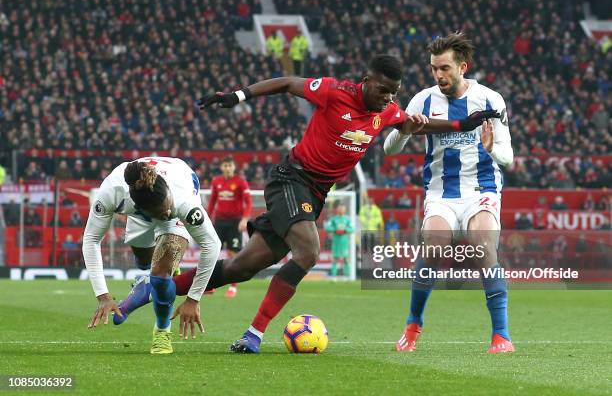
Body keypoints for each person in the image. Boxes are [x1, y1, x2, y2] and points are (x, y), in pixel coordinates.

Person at [116, 54, 498, 353]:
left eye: (393, 93)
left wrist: (461, 126)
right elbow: (286, 83)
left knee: (240, 268)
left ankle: (152, 287)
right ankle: (254, 333)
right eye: (382, 90)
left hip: (315, 195)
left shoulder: (386, 112)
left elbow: (417, 124)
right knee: (309, 251)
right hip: (290, 179)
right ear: (366, 82)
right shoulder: (334, 91)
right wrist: (238, 95)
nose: (387, 98)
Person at [384, 33, 514, 353]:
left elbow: (508, 157)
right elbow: (390, 150)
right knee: (434, 246)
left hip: (481, 188)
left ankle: (502, 336)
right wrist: (406, 131)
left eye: (444, 68)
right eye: (433, 69)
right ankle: (413, 325)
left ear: (462, 67)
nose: (438, 75)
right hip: (441, 191)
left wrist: (491, 149)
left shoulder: (490, 100)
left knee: (484, 245)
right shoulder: (422, 101)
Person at [82, 157, 221, 354]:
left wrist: (193, 299)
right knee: (144, 262)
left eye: (167, 206)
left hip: (176, 214)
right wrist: (103, 296)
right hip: (141, 216)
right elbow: (91, 239)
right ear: (139, 210)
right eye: (162, 212)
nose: (167, 212)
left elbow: (212, 244)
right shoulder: (112, 192)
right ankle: (148, 282)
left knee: (161, 276)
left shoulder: (182, 202)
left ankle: (162, 331)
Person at [207, 156, 252, 298]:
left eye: (229, 166)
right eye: (225, 166)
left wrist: (244, 219)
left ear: (233, 167)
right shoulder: (216, 181)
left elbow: (248, 202)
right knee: (213, 252)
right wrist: (207, 218)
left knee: (233, 254)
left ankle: (233, 286)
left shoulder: (240, 182)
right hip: (219, 222)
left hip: (234, 223)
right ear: (221, 167)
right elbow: (212, 201)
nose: (227, 168)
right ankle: (211, 285)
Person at [324, 203, 354, 277]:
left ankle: (347, 276)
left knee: (346, 259)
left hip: (344, 242)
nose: (341, 210)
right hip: (336, 242)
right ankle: (333, 276)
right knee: (335, 259)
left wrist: (345, 230)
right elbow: (327, 227)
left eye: (342, 208)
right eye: (340, 208)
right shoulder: (333, 219)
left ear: (345, 210)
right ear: (337, 210)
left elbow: (352, 229)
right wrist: (335, 230)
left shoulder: (347, 220)